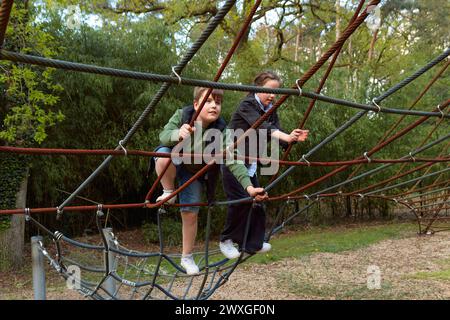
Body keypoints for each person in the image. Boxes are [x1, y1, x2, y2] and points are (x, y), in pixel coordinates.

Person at [154, 87, 266, 275]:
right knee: (162, 155)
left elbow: (232, 160)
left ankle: (186, 257)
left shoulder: (221, 129)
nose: (214, 105)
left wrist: (249, 187)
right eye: (208, 101)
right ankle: (167, 190)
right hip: (173, 162)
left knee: (191, 213)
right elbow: (163, 136)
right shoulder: (183, 115)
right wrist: (177, 134)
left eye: (218, 102)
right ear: (196, 104)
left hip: (194, 172)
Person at [219, 71, 309, 259]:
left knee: (258, 202)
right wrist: (284, 136)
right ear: (257, 88)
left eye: (275, 92)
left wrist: (291, 139)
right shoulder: (247, 105)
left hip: (250, 162)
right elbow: (262, 127)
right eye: (269, 91)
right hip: (233, 159)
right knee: (240, 202)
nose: (272, 96)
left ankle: (252, 244)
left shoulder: (271, 108)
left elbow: (278, 131)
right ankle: (226, 239)